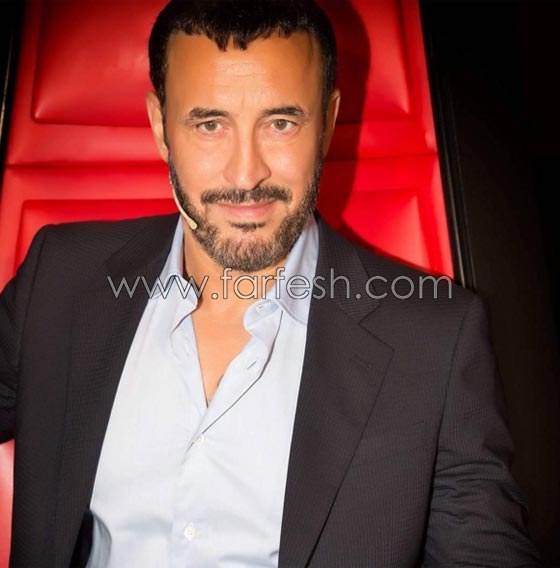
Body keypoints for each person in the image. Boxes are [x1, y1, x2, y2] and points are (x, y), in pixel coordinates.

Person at [0, 0, 542, 566]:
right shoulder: (60, 277)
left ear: (327, 122)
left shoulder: (436, 339)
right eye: (210, 124)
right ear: (161, 127)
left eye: (281, 123)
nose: (246, 175)